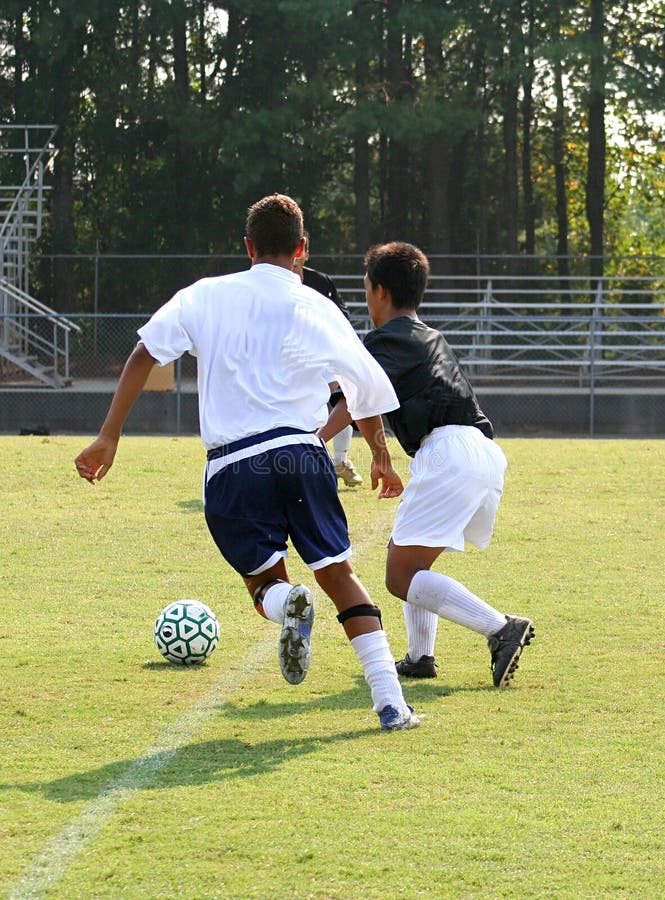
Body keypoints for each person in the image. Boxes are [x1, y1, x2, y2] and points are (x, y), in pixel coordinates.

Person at [74, 195, 420, 731]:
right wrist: (380, 454)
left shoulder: (206, 295)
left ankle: (288, 604)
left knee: (263, 585)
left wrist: (108, 436)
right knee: (341, 574)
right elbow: (365, 387)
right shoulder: (318, 307)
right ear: (303, 249)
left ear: (249, 247)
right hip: (304, 455)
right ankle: (391, 704)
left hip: (235, 464)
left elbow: (145, 353)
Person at [319, 241, 534, 688]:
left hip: (449, 453)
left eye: (365, 286)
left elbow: (354, 397)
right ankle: (420, 657)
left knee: (401, 575)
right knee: (410, 553)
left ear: (378, 291)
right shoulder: (427, 336)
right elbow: (371, 401)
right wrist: (381, 456)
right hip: (477, 452)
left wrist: (313, 440)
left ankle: (500, 628)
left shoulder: (386, 340)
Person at [292, 231, 363, 487]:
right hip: (289, 360)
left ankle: (339, 461)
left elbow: (342, 318)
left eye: (300, 250)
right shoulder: (271, 285)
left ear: (305, 252)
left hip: (321, 356)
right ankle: (306, 457)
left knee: (345, 399)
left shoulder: (320, 282)